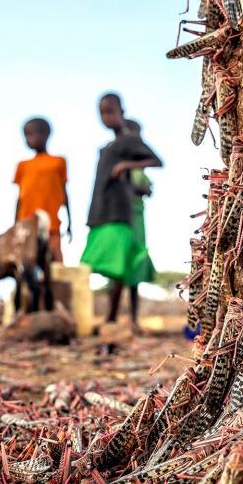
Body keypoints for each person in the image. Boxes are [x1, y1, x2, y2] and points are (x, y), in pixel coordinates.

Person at [81, 93, 162, 333]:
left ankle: (112, 319)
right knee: (106, 264)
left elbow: (156, 161)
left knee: (119, 267)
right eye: (102, 113)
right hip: (102, 211)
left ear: (121, 111)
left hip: (121, 213)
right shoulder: (108, 146)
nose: (106, 117)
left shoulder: (128, 140)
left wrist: (126, 165)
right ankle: (112, 318)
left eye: (110, 112)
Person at [14, 117, 72, 263]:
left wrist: (70, 222)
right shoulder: (23, 165)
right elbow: (20, 198)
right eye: (25, 136)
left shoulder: (59, 162)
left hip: (51, 224)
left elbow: (65, 193)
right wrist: (15, 225)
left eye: (30, 134)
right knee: (25, 262)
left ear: (45, 134)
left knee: (54, 261)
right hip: (26, 225)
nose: (27, 140)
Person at [124, 119, 157, 289]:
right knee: (121, 260)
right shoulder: (120, 163)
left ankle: (134, 313)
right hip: (123, 217)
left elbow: (149, 190)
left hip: (137, 216)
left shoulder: (139, 168)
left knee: (137, 259)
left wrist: (140, 188)